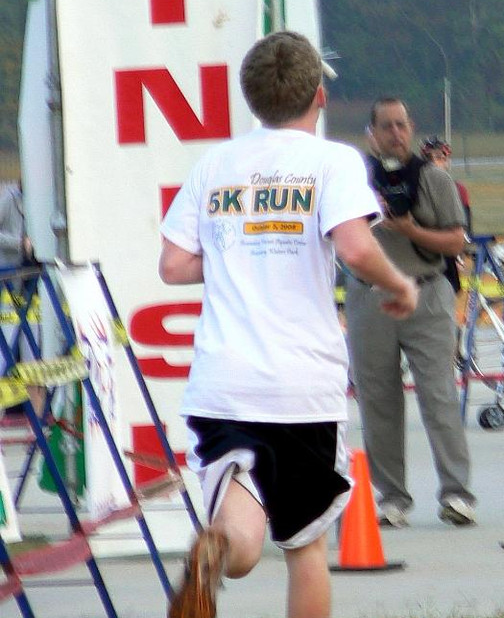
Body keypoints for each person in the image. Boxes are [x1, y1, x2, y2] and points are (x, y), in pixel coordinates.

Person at [159, 31, 418, 618]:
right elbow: (354, 248)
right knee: (306, 548)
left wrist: (235, 252)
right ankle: (222, 550)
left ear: (251, 100)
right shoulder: (331, 162)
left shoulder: (216, 163)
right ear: (319, 97)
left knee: (243, 540)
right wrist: (399, 284)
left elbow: (173, 265)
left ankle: (216, 551)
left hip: (223, 384)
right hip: (301, 387)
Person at [345, 98, 476, 529]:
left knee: (438, 395)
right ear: (371, 133)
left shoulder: (433, 179)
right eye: (386, 126)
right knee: (377, 400)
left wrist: (410, 231)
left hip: (426, 292)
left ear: (412, 128)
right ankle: (392, 498)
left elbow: (457, 242)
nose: (395, 134)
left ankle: (456, 494)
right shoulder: (354, 181)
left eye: (402, 125)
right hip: (370, 298)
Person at [420, 135, 470, 293]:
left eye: (441, 157)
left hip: (447, 254)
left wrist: (459, 253)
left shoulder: (458, 189)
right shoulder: (416, 187)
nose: (436, 162)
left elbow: (465, 224)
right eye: (431, 158)